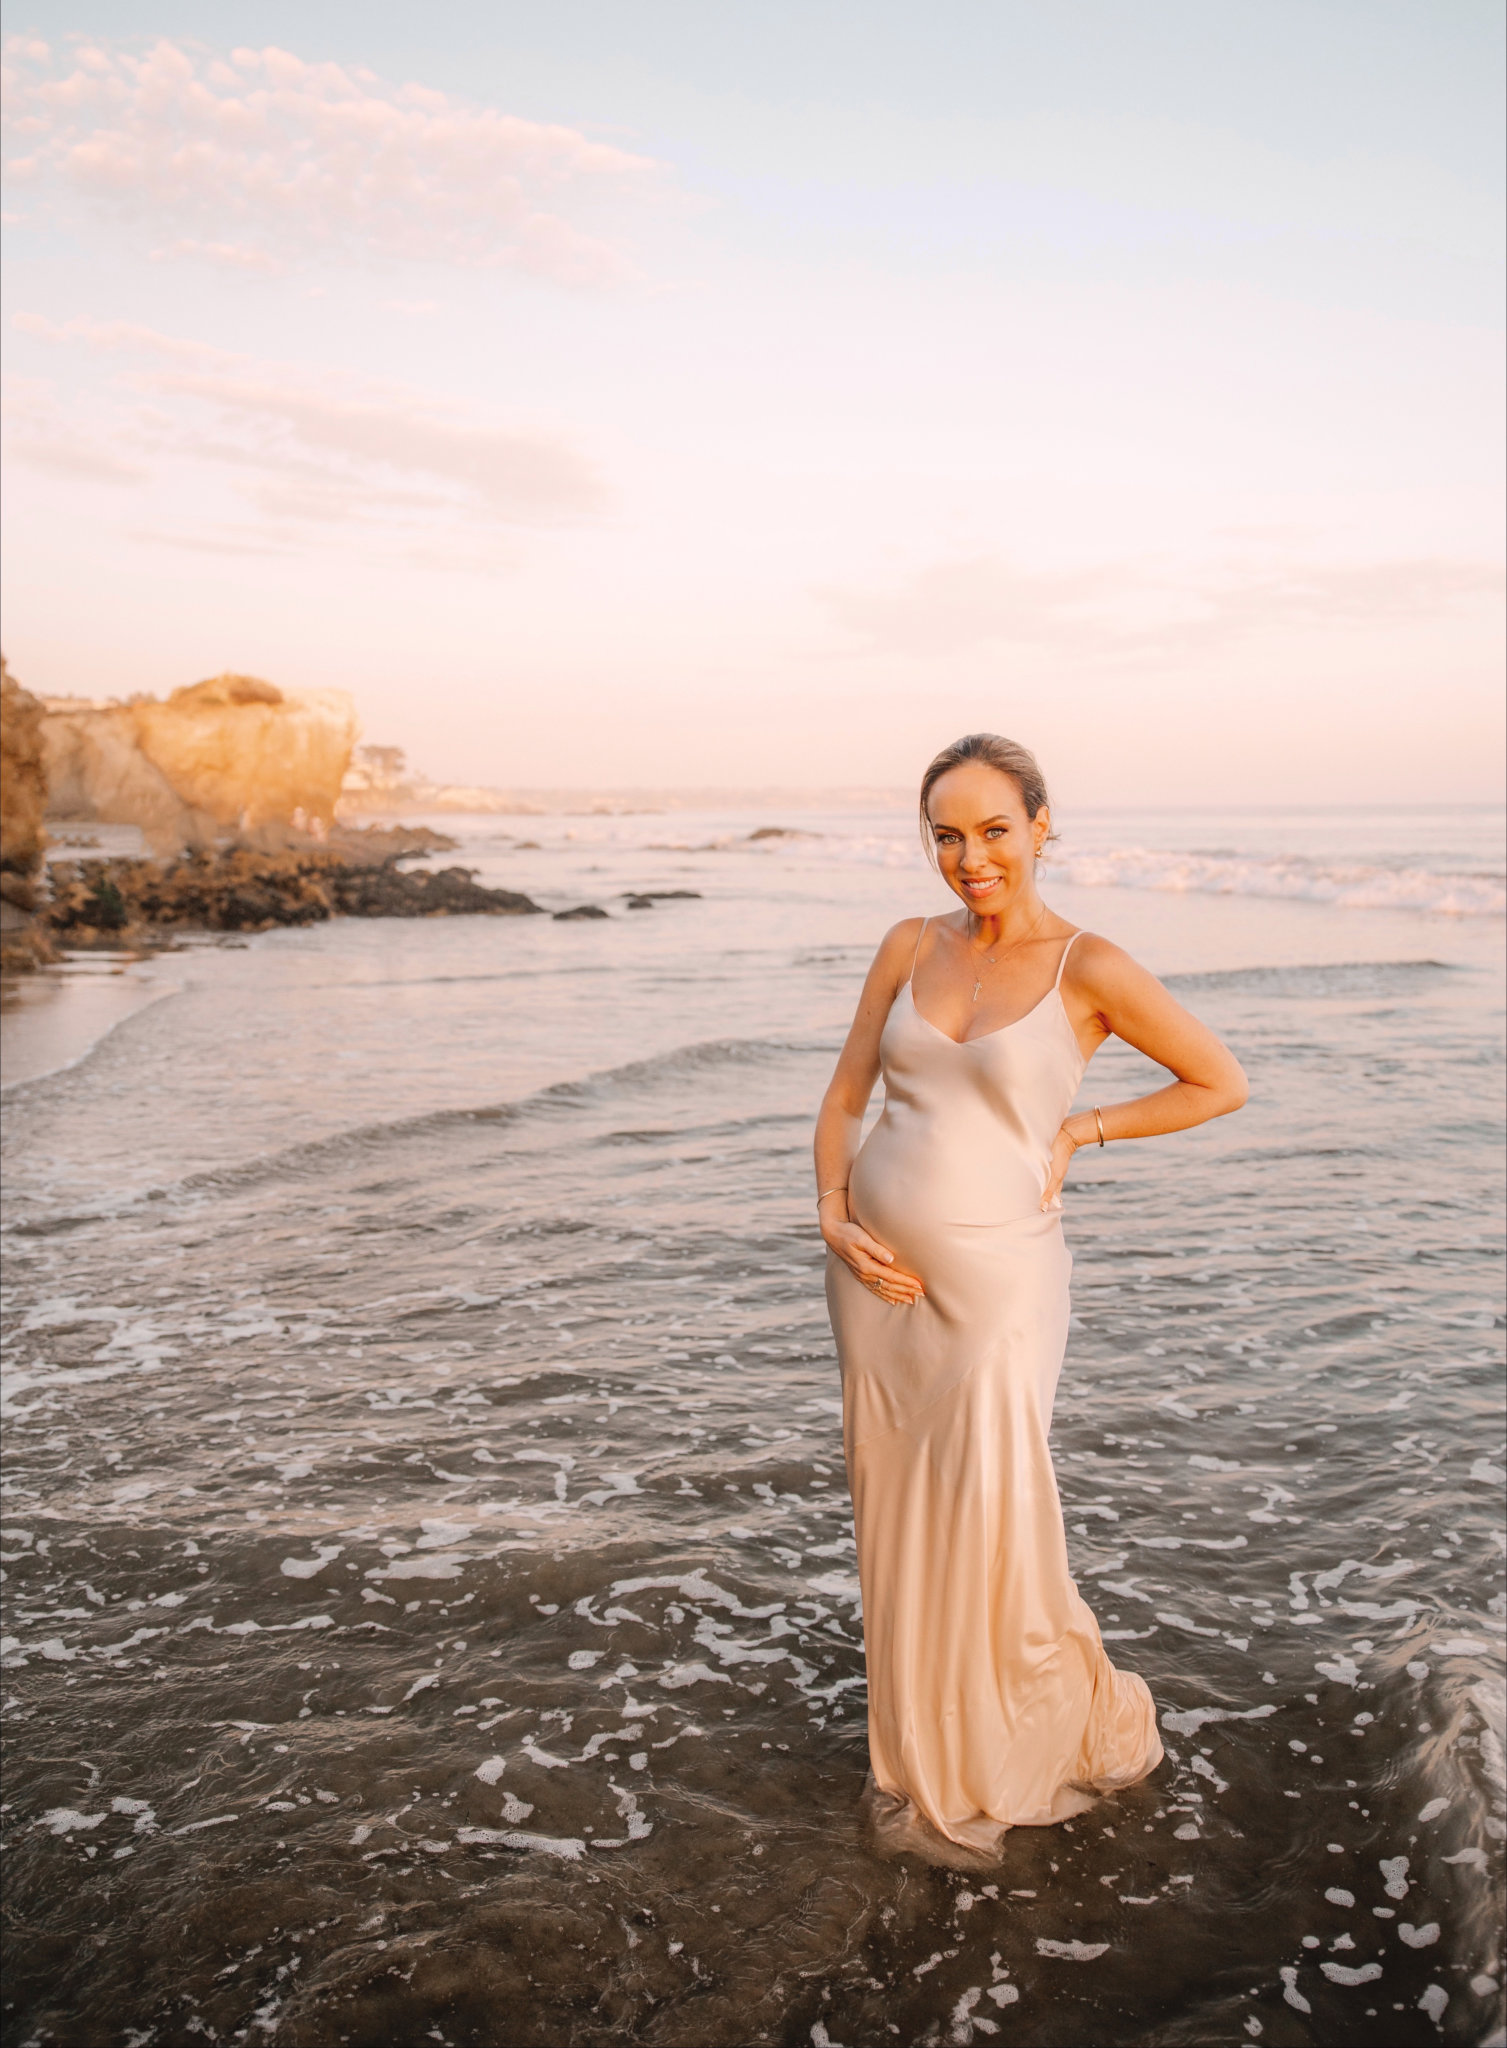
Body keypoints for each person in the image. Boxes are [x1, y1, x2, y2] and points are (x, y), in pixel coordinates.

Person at [814, 733, 1249, 1863]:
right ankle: (922, 1757)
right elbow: (846, 1093)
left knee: (999, 1514)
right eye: (946, 835)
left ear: (1041, 824)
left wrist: (1081, 1125)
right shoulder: (908, 944)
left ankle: (1033, 1732)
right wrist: (830, 1211)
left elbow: (1218, 1080)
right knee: (899, 1518)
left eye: (993, 829)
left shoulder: (1087, 964)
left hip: (1003, 1280)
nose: (969, 858)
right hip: (872, 1280)